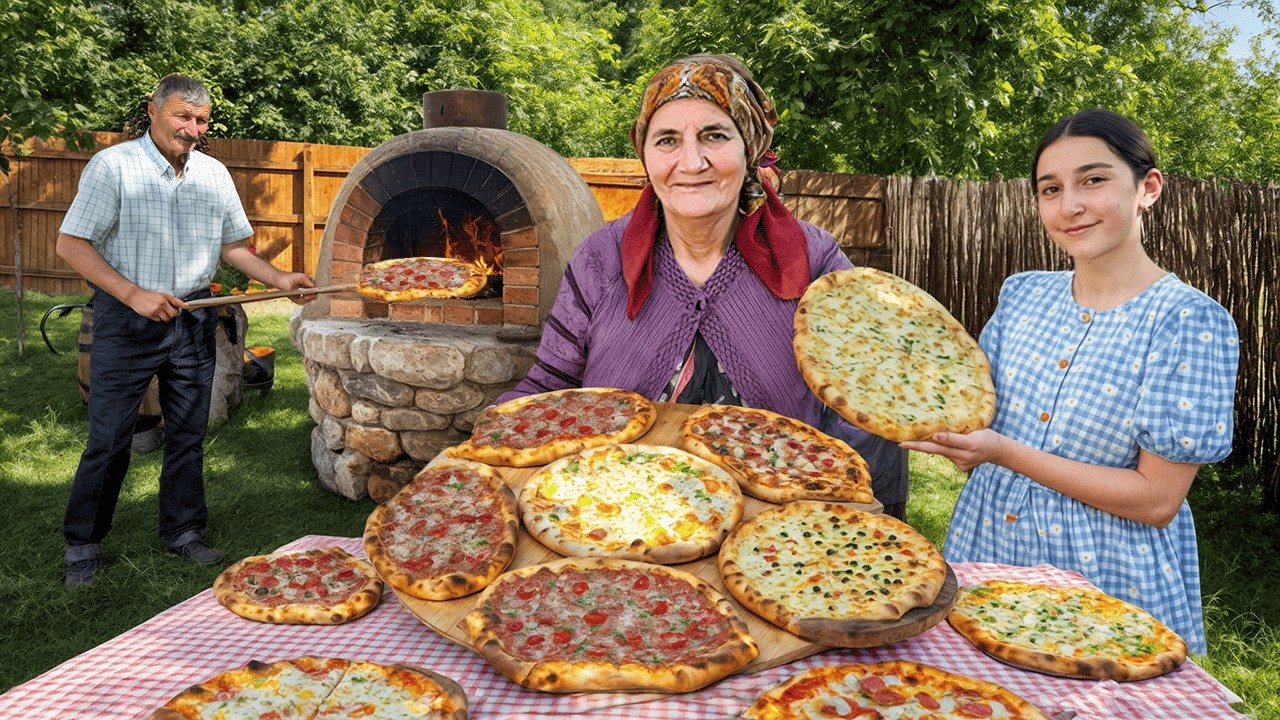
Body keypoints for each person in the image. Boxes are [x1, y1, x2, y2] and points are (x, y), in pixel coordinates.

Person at [497, 54, 908, 517]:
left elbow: (867, 403)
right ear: (645, 153)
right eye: (667, 140)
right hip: (615, 517)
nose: (690, 162)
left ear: (750, 146)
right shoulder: (601, 259)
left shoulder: (813, 260)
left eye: (714, 135)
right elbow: (553, 384)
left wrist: (838, 508)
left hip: (779, 531)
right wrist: (491, 441)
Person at [901, 109, 1238, 654]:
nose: (1070, 205)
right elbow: (971, 407)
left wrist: (1001, 452)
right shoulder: (1022, 295)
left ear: (1147, 188)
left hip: (1106, 576)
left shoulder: (1187, 321)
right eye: (1050, 189)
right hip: (990, 543)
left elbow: (1156, 500)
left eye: (1094, 180)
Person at [56, 73, 317, 587]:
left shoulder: (214, 174)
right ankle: (82, 543)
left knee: (188, 436)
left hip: (194, 318)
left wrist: (280, 278)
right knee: (109, 439)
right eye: (182, 116)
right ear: (154, 110)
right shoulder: (114, 166)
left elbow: (234, 248)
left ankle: (182, 531)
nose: (192, 128)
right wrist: (133, 294)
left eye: (201, 120)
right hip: (126, 319)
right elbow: (71, 245)